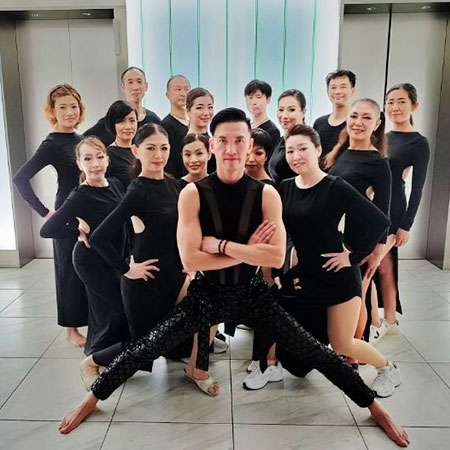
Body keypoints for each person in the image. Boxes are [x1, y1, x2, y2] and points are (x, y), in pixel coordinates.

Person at [59, 108, 409, 448]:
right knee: (147, 346)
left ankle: (374, 406)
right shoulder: (192, 193)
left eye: (239, 140)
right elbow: (190, 259)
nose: (231, 149)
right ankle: (92, 398)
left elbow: (274, 256)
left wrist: (221, 245)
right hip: (206, 294)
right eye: (223, 140)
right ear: (212, 144)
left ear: (249, 144)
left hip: (252, 294)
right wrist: (248, 249)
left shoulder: (267, 193)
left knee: (317, 352)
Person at [244, 124, 401, 400]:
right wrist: (279, 267)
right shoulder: (286, 187)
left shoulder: (335, 186)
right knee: (271, 315)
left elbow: (379, 221)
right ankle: (269, 366)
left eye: (302, 149)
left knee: (342, 343)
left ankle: (388, 368)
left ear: (317, 150)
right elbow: (280, 231)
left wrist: (352, 256)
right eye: (290, 151)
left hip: (338, 277)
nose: (296, 156)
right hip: (305, 274)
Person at [75, 124, 187, 385]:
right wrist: (126, 269)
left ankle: (189, 360)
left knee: (168, 332)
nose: (158, 155)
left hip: (173, 274)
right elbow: (99, 237)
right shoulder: (138, 190)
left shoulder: (173, 184)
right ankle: (92, 362)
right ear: (136, 151)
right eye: (150, 148)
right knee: (143, 345)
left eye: (164, 148)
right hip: (145, 282)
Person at [40, 137, 129, 361]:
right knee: (117, 309)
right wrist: (78, 232)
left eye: (99, 157)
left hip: (114, 256)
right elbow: (47, 230)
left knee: (105, 311)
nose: (95, 164)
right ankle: (96, 358)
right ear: (79, 164)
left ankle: (105, 354)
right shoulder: (80, 195)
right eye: (88, 159)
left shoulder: (116, 185)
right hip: (91, 261)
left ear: (107, 159)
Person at [13, 84, 89, 347]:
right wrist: (45, 212)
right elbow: (20, 178)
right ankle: (71, 328)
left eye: (74, 106)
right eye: (63, 107)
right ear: (53, 111)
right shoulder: (52, 143)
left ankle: (90, 318)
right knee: (67, 269)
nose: (69, 112)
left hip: (87, 208)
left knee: (86, 266)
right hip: (66, 210)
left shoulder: (81, 138)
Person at [326, 99, 392, 346]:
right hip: (337, 235)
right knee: (343, 297)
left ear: (377, 124)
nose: (358, 123)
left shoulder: (378, 163)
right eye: (354, 116)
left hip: (359, 240)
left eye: (366, 118)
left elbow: (384, 212)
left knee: (357, 296)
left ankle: (352, 355)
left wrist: (376, 251)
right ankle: (341, 347)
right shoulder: (341, 151)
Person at [370, 83, 430, 344]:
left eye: (401, 101)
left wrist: (406, 225)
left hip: (394, 210)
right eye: (390, 102)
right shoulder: (381, 136)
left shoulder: (419, 143)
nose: (395, 107)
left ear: (414, 106)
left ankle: (381, 321)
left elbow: (418, 188)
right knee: (383, 265)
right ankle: (390, 320)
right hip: (373, 207)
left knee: (377, 264)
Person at [84, 66, 161, 145]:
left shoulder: (153, 119)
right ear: (123, 87)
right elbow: (85, 140)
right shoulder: (113, 118)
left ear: (146, 86)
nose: (135, 87)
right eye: (130, 82)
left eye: (139, 81)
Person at [313, 70, 356, 163]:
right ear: (327, 91)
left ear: (352, 90)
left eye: (343, 87)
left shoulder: (355, 125)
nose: (337, 91)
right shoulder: (319, 123)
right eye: (333, 87)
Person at [269, 89, 307, 186]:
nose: (284, 116)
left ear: (303, 112)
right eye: (281, 110)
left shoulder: (306, 143)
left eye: (291, 110)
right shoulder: (281, 140)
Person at [161, 75, 191, 178]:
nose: (183, 94)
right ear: (168, 95)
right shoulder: (165, 126)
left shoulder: (194, 122)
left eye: (186, 89)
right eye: (178, 89)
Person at [104, 100, 138, 188]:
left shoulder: (140, 151)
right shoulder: (107, 154)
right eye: (122, 121)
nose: (128, 126)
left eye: (132, 121)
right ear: (113, 124)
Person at [186, 87, 216, 173]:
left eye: (210, 107)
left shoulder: (211, 139)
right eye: (200, 108)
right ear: (188, 111)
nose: (206, 113)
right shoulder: (189, 141)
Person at [244, 79, 280, 149]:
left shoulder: (272, 131)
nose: (254, 102)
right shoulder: (246, 127)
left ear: (268, 99)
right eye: (250, 97)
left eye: (258, 97)